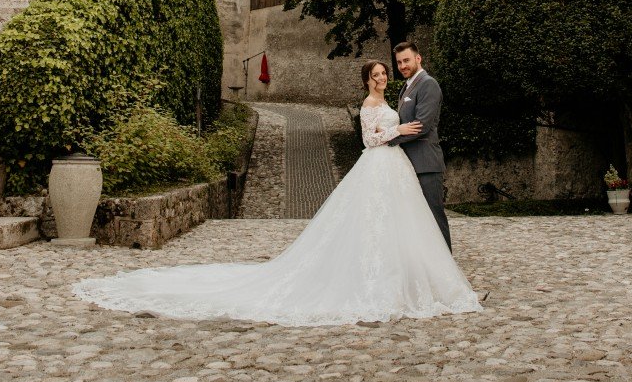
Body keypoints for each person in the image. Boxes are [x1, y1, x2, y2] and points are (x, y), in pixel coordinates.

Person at [71, 59, 482, 326]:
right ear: (366, 80)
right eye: (376, 75)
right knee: (370, 222)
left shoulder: (392, 97)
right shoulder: (368, 105)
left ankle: (406, 274)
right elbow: (370, 141)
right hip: (379, 163)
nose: (381, 77)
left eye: (384, 74)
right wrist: (398, 130)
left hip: (395, 168)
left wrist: (399, 130)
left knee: (397, 223)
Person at [388, 42, 451, 250]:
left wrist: (390, 139)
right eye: (399, 62)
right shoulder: (407, 86)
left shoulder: (428, 83)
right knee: (417, 219)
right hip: (409, 163)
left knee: (433, 215)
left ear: (418, 58)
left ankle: (446, 266)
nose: (403, 66)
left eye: (406, 60)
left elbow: (421, 126)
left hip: (426, 163)